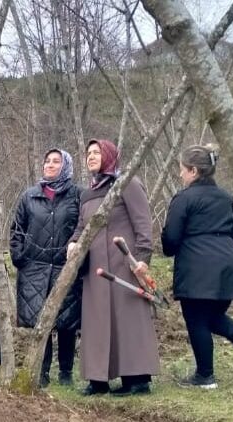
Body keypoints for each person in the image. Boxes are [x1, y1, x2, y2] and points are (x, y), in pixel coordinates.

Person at [161, 144, 233, 387]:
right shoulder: (228, 198)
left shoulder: (184, 199)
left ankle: (205, 375)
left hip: (197, 268)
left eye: (182, 170)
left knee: (196, 319)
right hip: (227, 267)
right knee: (212, 315)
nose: (180, 174)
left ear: (194, 171)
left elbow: (171, 241)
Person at [69, 139, 160, 396]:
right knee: (97, 323)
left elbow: (143, 223)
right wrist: (73, 243)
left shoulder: (127, 183)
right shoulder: (87, 193)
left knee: (129, 320)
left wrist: (142, 258)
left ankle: (137, 379)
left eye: (97, 152)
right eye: (88, 153)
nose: (91, 157)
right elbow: (80, 227)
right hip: (96, 270)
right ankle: (98, 380)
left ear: (109, 156)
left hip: (124, 264)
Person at [10, 149, 82, 387]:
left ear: (66, 166)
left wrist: (76, 258)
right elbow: (17, 229)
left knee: (66, 322)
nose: (50, 165)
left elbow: (83, 227)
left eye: (56, 162)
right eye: (47, 161)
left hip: (65, 267)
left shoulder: (77, 195)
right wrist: (19, 257)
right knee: (42, 323)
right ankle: (42, 373)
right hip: (34, 269)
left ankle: (66, 373)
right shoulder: (29, 196)